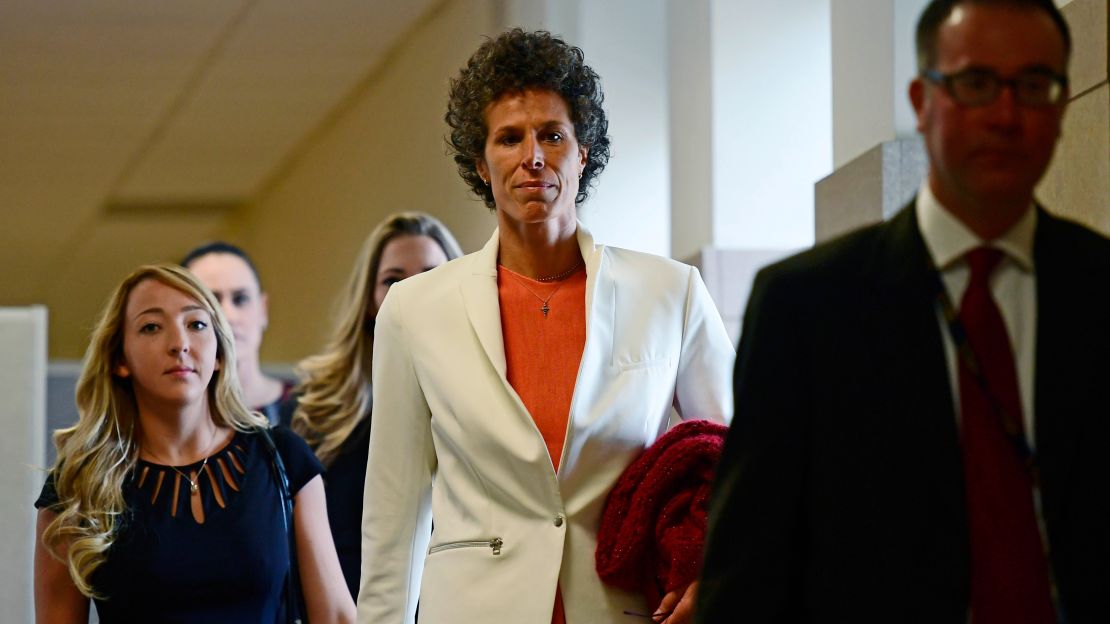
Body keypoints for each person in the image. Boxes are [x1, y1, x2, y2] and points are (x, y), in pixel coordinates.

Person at [698, 1, 1110, 622]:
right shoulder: (806, 308)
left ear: (1060, 106)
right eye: (975, 84)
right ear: (922, 101)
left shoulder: (1100, 289)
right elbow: (748, 575)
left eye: (1033, 85)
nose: (1005, 114)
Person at [355, 29, 734, 624]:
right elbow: (394, 514)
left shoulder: (670, 293)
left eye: (553, 135)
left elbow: (737, 460)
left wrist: (718, 576)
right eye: (509, 138)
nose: (533, 156)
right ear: (480, 164)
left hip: (623, 607)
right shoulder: (414, 310)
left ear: (583, 153)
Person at [34, 264, 355, 623]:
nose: (180, 344)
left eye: (196, 324)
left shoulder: (282, 458)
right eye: (151, 327)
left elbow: (337, 615)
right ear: (119, 359)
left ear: (218, 353)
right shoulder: (79, 483)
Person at [284, 212, 463, 600]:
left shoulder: (486, 401)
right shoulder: (310, 411)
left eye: (431, 275)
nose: (413, 293)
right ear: (369, 300)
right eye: (393, 281)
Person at [182, 241, 293, 423]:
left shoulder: (312, 408)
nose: (228, 316)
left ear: (263, 309)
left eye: (241, 299)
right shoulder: (168, 418)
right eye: (211, 301)